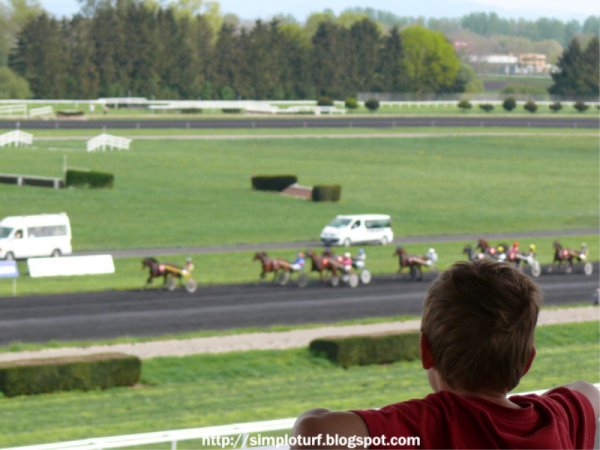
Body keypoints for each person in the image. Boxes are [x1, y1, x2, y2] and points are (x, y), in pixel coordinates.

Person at [291, 260, 599, 449]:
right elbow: (587, 391)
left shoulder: (424, 425)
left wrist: (311, 413)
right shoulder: (557, 418)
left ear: (426, 352)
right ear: (527, 362)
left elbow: (313, 433)